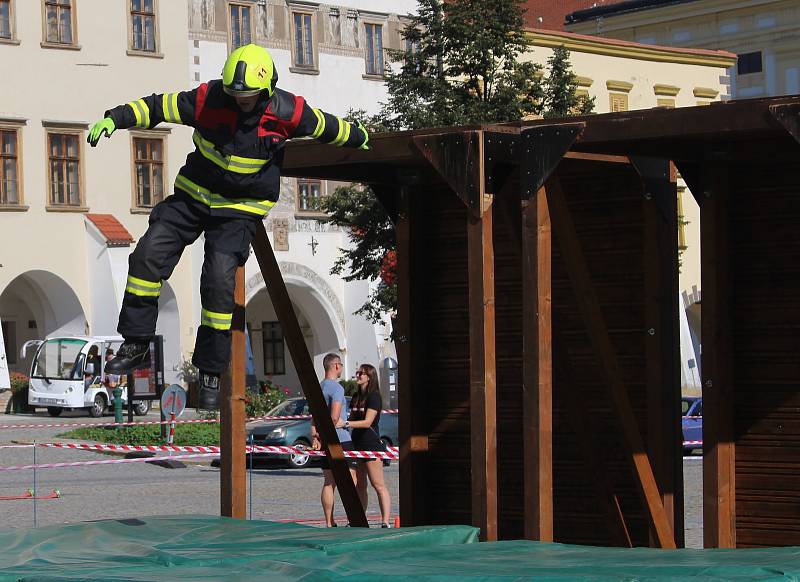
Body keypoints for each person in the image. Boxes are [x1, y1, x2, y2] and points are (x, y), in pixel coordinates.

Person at [87, 44, 370, 409]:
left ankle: (209, 371)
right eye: (235, 95)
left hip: (239, 209)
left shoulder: (287, 110)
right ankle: (137, 342)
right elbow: (158, 107)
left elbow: (325, 125)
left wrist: (358, 135)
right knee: (146, 255)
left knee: (219, 277)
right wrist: (116, 118)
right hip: (193, 196)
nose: (241, 103)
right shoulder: (208, 99)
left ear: (265, 91)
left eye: (248, 97)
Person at [341, 364, 392, 528]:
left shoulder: (374, 396)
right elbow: (353, 417)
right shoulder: (356, 396)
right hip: (356, 444)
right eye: (357, 372)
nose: (358, 375)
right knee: (360, 485)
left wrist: (347, 423)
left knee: (378, 484)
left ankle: (385, 521)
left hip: (371, 444)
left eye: (361, 373)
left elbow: (368, 422)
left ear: (369, 376)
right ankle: (358, 519)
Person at [311, 353, 357, 527]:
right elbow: (335, 417)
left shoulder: (319, 387)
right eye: (341, 366)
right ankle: (353, 518)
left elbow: (314, 418)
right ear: (336, 366)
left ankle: (329, 522)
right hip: (341, 440)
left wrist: (316, 436)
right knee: (351, 481)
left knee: (329, 482)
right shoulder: (337, 389)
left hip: (324, 441)